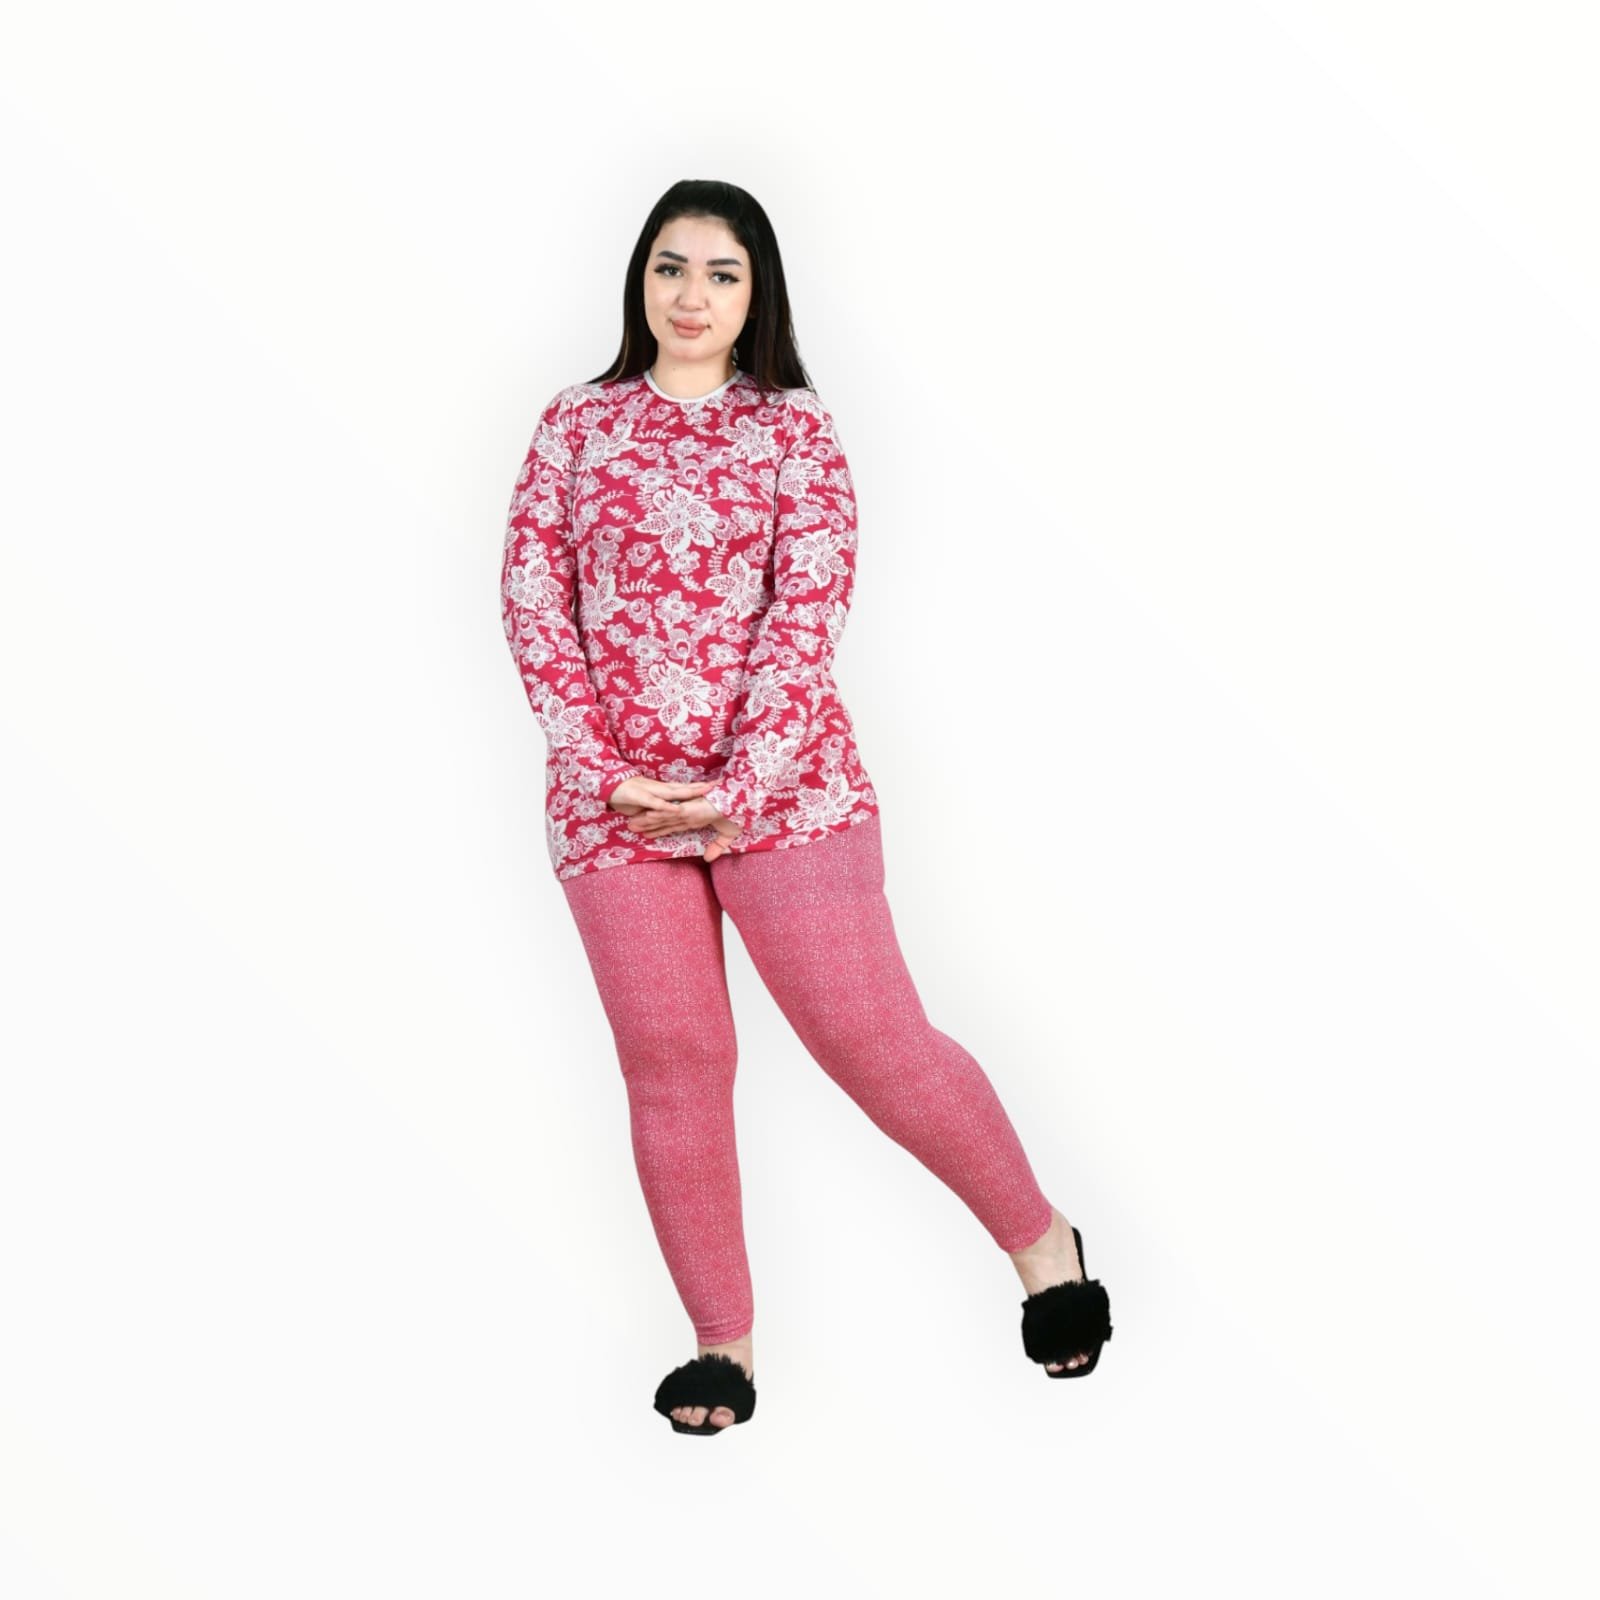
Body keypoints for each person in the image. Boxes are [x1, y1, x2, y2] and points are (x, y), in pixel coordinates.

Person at [500, 179, 1113, 1434]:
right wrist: (602, 772)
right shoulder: (573, 423)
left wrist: (736, 786)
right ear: (639, 279)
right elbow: (530, 600)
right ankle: (720, 1344)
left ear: (757, 293)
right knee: (674, 1066)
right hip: (615, 809)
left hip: (789, 796)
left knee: (873, 1042)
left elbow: (807, 618)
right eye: (670, 267)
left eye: (720, 274)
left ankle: (1041, 1242)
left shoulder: (794, 430)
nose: (690, 296)